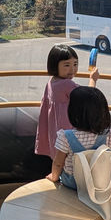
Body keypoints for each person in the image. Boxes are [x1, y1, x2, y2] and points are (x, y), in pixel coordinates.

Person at [53, 85, 111, 191]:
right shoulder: (109, 135)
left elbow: (58, 163)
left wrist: (54, 177)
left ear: (74, 113)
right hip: (98, 184)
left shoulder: (65, 137)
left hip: (72, 183)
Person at [35, 44, 79, 179]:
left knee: (58, 159)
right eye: (67, 65)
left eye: (75, 64)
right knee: (70, 163)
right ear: (55, 65)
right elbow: (88, 96)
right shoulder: (67, 84)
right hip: (68, 132)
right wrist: (93, 79)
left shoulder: (51, 82)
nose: (72, 69)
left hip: (55, 132)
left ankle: (56, 176)